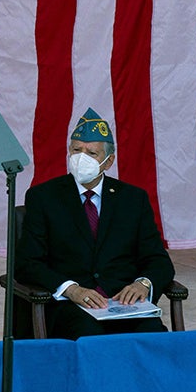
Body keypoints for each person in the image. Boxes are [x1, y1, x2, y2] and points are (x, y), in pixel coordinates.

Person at [17, 108, 173, 339]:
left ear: (108, 161)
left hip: (123, 304)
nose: (81, 158)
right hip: (70, 307)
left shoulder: (132, 199)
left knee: (152, 337)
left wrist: (143, 284)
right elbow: (28, 263)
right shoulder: (43, 197)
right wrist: (71, 289)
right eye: (76, 150)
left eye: (92, 153)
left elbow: (158, 259)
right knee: (90, 337)